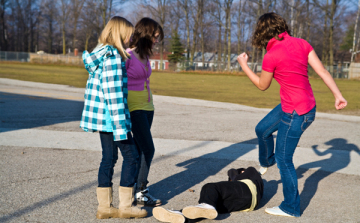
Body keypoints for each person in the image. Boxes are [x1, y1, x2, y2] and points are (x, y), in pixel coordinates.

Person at [237, 12, 347, 217]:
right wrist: (338, 96)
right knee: (262, 129)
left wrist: (244, 65)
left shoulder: (271, 55)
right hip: (302, 106)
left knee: (285, 160)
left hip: (296, 112)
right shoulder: (302, 43)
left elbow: (262, 85)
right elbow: (322, 71)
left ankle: (290, 207)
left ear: (262, 32)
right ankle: (267, 162)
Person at [80, 16, 147, 219]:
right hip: (113, 119)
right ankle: (125, 207)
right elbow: (113, 94)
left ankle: (105, 208)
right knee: (132, 156)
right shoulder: (112, 57)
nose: (131, 39)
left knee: (108, 158)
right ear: (119, 34)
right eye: (129, 35)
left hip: (103, 119)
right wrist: (121, 126)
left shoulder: (100, 53)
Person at [125, 17, 164, 206]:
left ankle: (134, 189)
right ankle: (140, 190)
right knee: (149, 149)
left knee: (141, 149)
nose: (156, 41)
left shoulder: (146, 56)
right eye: (155, 37)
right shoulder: (127, 56)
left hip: (148, 107)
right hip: (134, 108)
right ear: (145, 35)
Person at [152, 167, 263, 223]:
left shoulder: (250, 172)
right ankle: (181, 216)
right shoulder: (253, 183)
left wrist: (237, 173)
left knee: (210, 187)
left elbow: (232, 172)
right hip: (249, 205)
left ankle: (206, 206)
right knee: (209, 208)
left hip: (247, 188)